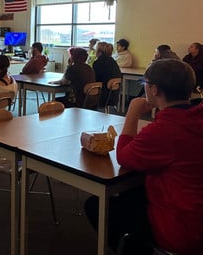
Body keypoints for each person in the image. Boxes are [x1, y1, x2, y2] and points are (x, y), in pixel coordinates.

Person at [85, 59, 203, 255]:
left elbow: (123, 156)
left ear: (154, 90)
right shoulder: (193, 118)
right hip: (194, 211)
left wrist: (132, 113)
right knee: (130, 191)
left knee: (96, 205)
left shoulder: (165, 130)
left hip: (181, 227)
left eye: (145, 84)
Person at [93, 42, 121, 107]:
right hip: (113, 95)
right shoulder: (113, 62)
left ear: (99, 51)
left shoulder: (98, 63)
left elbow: (95, 79)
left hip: (102, 96)